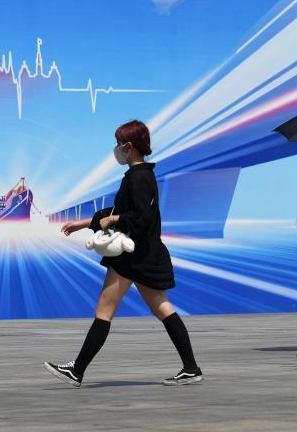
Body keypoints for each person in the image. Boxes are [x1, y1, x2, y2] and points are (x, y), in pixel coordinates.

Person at [44, 120, 203, 387]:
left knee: (105, 309)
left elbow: (140, 218)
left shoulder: (138, 178)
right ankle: (191, 367)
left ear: (129, 146)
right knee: (162, 308)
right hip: (145, 255)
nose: (117, 149)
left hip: (132, 257)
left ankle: (77, 370)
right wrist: (85, 223)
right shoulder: (141, 175)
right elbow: (122, 211)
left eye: (119, 144)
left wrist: (115, 219)